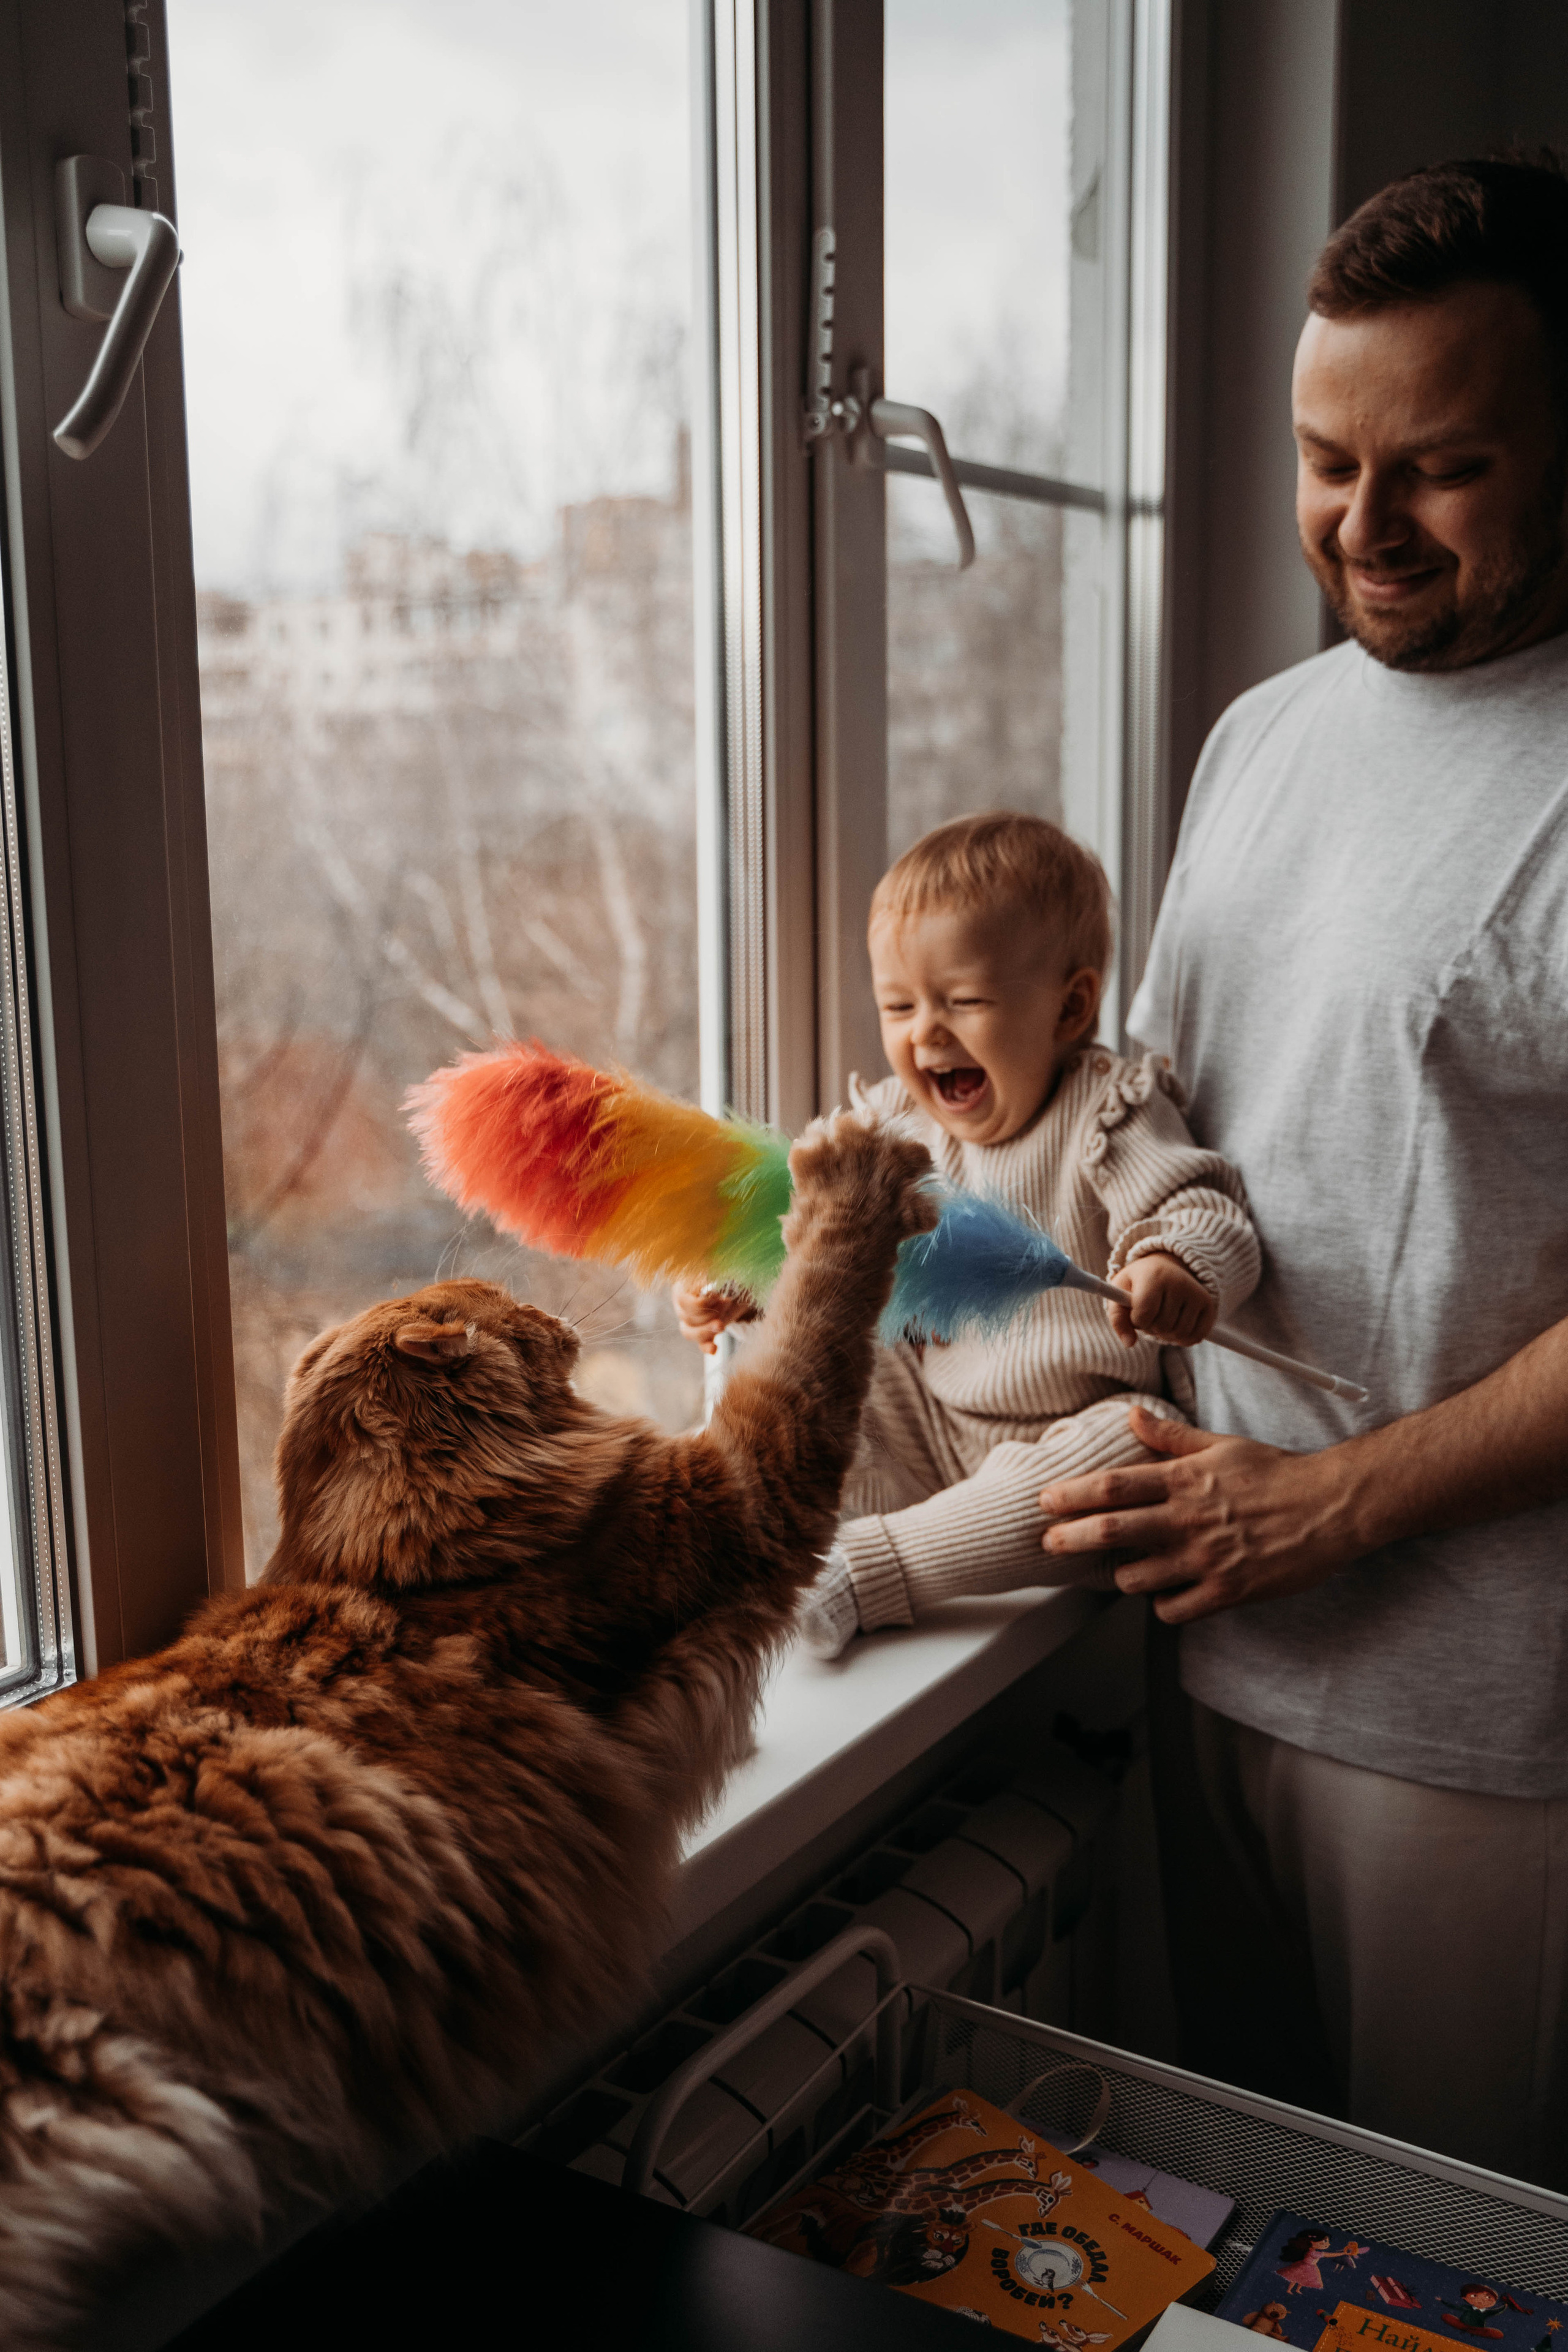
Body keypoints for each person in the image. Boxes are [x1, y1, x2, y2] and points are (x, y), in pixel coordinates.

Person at [1036, 156, 1568, 2187]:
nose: (1365, 527)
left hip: (1485, 1742)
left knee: (1444, 2280)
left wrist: (1329, 1506)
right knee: (1231, 2246)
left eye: (1441, 467)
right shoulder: (1260, 738)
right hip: (1207, 1645)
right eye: (1325, 459)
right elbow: (1150, 1145)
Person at [674, 810, 1261, 1656]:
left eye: (965, 1001)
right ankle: (721, 1539)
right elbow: (818, 1242)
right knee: (831, 1370)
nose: (926, 1033)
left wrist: (1175, 1262)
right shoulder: (894, 1128)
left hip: (1068, 1429)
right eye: (900, 1005)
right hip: (933, 1419)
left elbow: (1207, 1208)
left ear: (1070, 1007)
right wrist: (751, 1282)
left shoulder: (1107, 1111)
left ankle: (871, 1570)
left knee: (1132, 1443)